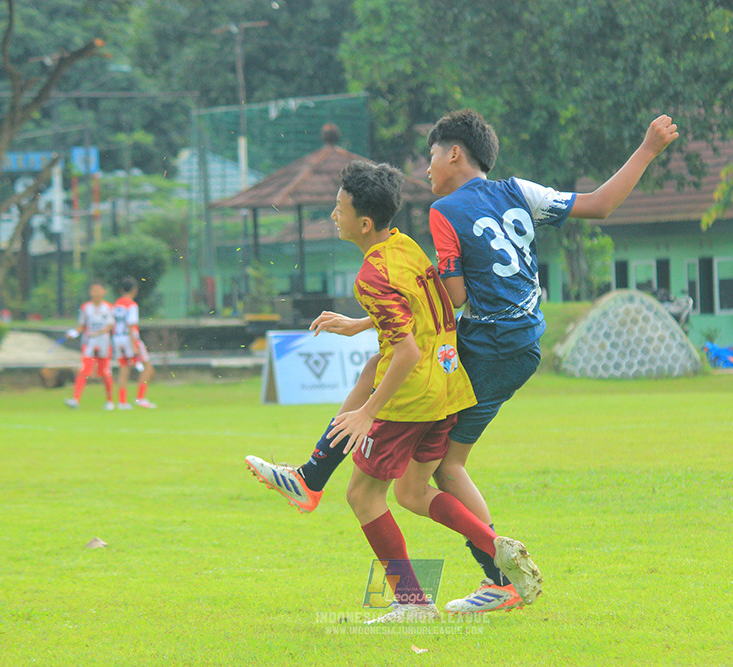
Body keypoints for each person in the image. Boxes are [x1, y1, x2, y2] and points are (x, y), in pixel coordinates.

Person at [247, 110, 678, 613]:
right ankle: (314, 481)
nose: (427, 167)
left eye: (431, 154)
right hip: (522, 345)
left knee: (420, 475)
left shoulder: (446, 210)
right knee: (410, 461)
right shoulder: (518, 191)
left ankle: (489, 577)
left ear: (454, 152)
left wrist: (386, 329)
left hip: (483, 344)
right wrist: (647, 147)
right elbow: (601, 204)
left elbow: (450, 296)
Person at [257, 161, 544, 623]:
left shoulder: (370, 276)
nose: (333, 214)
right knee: (412, 492)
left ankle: (411, 601)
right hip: (446, 387)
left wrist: (370, 411)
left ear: (363, 223)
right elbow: (420, 308)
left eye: (339, 207)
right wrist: (358, 324)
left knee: (363, 496)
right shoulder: (404, 246)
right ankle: (496, 547)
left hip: (409, 397)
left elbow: (405, 351)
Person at [64, 282, 115, 410]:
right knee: (84, 370)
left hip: (104, 342)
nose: (96, 293)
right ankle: (75, 399)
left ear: (104, 292)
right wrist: (74, 332)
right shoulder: (86, 308)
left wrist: (100, 332)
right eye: (93, 290)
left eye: (98, 290)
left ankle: (109, 401)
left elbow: (110, 325)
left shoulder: (108, 307)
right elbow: (81, 325)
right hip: (90, 343)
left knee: (105, 372)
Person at [111, 276, 156, 410]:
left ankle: (122, 401)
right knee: (148, 368)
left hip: (117, 338)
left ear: (120, 290)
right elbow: (131, 326)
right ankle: (140, 398)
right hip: (129, 338)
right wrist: (134, 345)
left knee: (124, 370)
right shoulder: (132, 305)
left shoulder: (116, 305)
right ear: (135, 290)